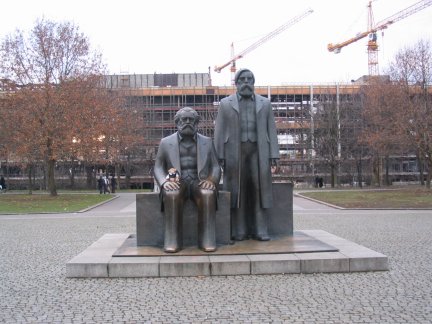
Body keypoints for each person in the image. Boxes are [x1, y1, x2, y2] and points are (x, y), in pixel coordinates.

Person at [214, 68, 279, 241]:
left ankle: (260, 229)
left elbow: (271, 129)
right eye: (242, 79)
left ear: (253, 82)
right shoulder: (225, 103)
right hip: (234, 152)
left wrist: (274, 154)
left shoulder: (265, 103)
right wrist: (218, 154)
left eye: (249, 79)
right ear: (236, 83)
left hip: (259, 152)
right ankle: (239, 230)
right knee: (237, 190)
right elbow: (219, 130)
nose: (246, 82)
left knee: (259, 190)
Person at [154, 107, 221, 253]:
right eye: (184, 120)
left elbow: (216, 167)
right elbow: (158, 167)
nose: (188, 122)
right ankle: (172, 241)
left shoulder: (208, 142)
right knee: (172, 194)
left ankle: (207, 240)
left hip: (199, 180)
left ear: (197, 122)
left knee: (207, 193)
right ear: (177, 122)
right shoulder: (165, 142)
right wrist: (165, 183)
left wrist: (211, 180)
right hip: (177, 181)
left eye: (191, 120)